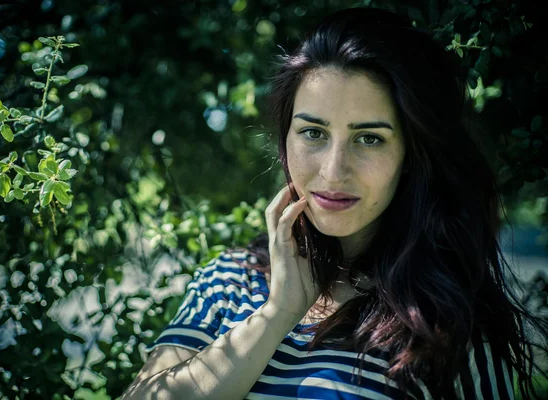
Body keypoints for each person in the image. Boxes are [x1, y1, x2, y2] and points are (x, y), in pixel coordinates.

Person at [121, 7, 547, 400]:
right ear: (286, 139)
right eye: (313, 133)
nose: (332, 170)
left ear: (412, 157)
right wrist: (277, 314)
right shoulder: (228, 280)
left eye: (369, 138)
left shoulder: (445, 325)